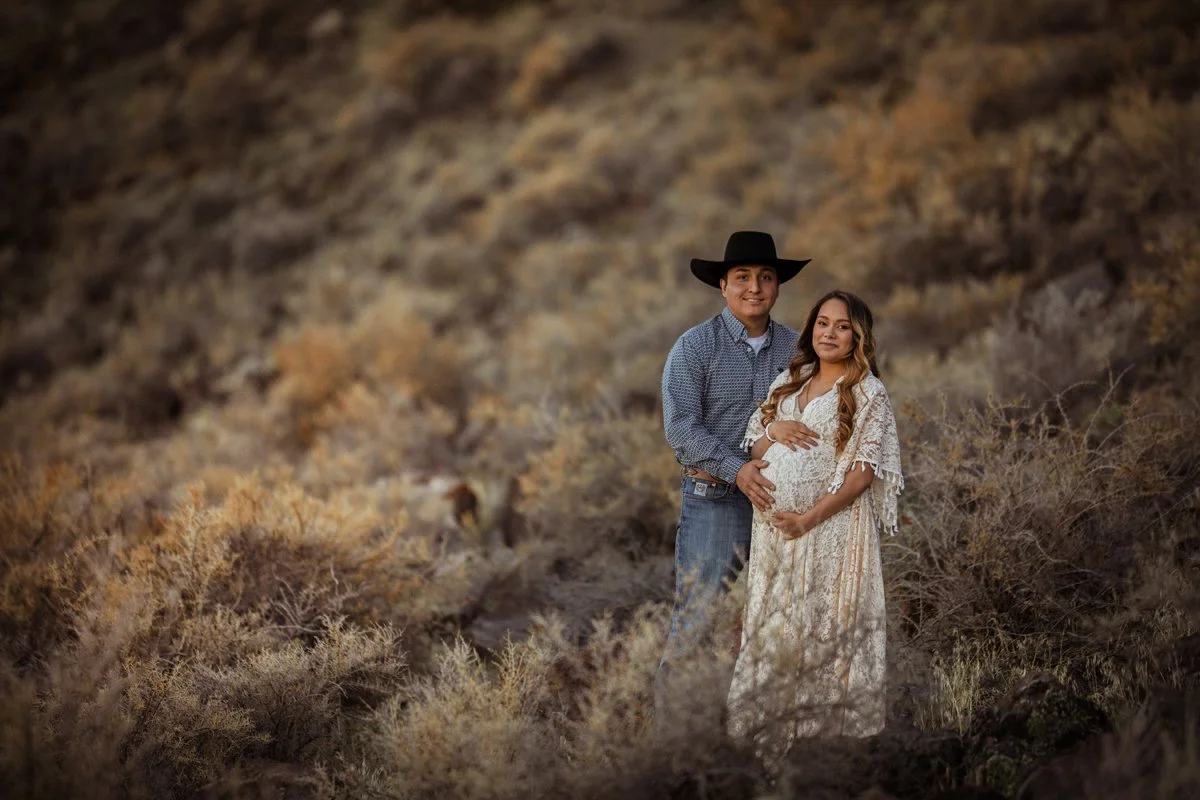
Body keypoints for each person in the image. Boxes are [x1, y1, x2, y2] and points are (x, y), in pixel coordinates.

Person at [726, 289, 903, 752]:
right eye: (822, 323)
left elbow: (863, 473)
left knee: (826, 622)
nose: (829, 333)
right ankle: (768, 738)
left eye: (842, 326)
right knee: (777, 623)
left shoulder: (868, 392)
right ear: (811, 329)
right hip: (775, 536)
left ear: (857, 336)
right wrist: (773, 429)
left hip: (831, 529)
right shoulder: (791, 379)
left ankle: (826, 744)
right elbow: (755, 449)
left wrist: (808, 519)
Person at [657, 231, 818, 714]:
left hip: (786, 507)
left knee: (783, 622)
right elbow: (682, 429)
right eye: (743, 277)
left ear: (777, 286)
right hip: (714, 505)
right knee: (698, 620)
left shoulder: (799, 349)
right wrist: (737, 469)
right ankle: (671, 747)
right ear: (723, 285)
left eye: (766, 277)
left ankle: (771, 736)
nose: (755, 287)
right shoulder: (693, 348)